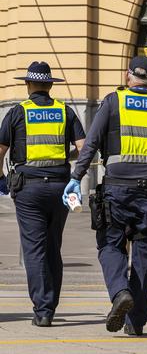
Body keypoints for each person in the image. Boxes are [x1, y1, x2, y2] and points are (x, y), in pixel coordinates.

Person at [65, 56, 147, 335]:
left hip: (117, 187)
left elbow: (92, 142)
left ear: (128, 76)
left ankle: (120, 292)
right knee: (144, 250)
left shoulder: (114, 101)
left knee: (110, 244)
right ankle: (136, 324)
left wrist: (76, 177)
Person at [0, 61, 86, 327]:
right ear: (50, 85)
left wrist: (1, 179)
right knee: (52, 247)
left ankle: (44, 310)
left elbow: (0, 149)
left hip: (28, 189)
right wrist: (66, 160)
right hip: (60, 187)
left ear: (28, 85)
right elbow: (83, 149)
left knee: (34, 249)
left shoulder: (17, 112)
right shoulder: (66, 111)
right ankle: (51, 303)